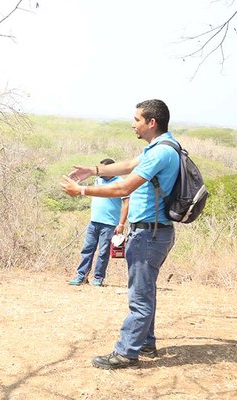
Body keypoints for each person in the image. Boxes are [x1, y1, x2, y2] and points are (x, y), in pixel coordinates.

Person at [61, 99, 179, 369]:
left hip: (149, 234)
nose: (132, 123)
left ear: (152, 122)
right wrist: (93, 171)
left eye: (137, 119)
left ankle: (126, 352)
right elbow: (127, 165)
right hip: (152, 232)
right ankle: (145, 343)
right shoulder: (159, 147)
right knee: (145, 290)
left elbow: (122, 188)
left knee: (139, 296)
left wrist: (82, 190)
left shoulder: (161, 153)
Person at [68, 158, 129, 287]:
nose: (100, 172)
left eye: (103, 169)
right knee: (87, 249)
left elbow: (126, 204)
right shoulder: (98, 180)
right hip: (94, 222)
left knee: (103, 252)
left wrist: (121, 224)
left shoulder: (120, 182)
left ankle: (98, 277)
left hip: (109, 224)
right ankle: (81, 276)